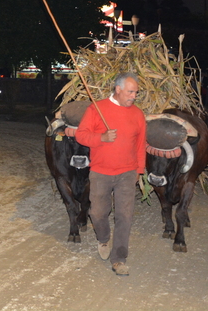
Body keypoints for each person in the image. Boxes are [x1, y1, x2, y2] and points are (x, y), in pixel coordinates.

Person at [75, 72, 146, 276]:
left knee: (125, 216)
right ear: (118, 89)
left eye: (136, 92)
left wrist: (139, 170)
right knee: (97, 212)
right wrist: (101, 138)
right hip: (100, 172)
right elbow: (81, 135)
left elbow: (141, 145)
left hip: (127, 172)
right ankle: (103, 238)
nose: (134, 96)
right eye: (130, 92)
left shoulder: (138, 114)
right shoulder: (97, 109)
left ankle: (119, 259)